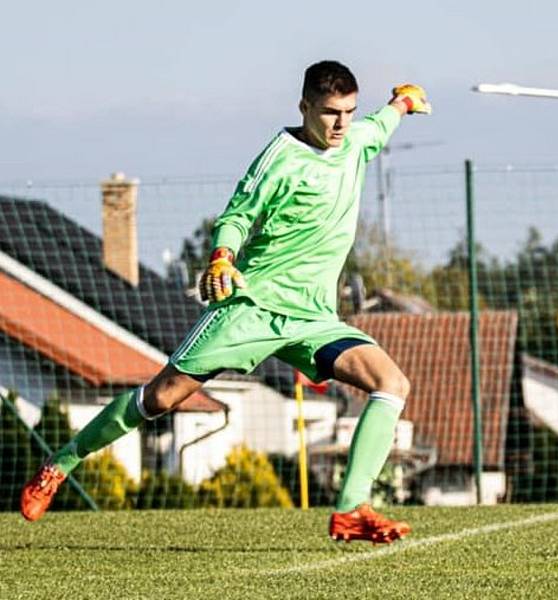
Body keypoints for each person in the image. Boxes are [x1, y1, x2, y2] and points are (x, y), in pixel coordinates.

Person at [20, 60, 431, 544]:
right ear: (303, 107)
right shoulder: (279, 158)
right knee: (160, 398)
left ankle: (350, 510)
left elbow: (380, 124)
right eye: (328, 113)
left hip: (314, 318)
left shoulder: (356, 140)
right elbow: (236, 216)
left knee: (391, 382)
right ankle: (60, 463)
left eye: (348, 112)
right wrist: (221, 257)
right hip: (250, 307)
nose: (341, 124)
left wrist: (402, 102)